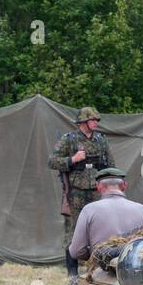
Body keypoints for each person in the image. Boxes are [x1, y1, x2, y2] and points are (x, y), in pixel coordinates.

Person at [37, 168, 143, 285]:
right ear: (124, 186)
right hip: (134, 279)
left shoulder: (90, 210)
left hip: (102, 275)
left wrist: (94, 256)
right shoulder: (141, 209)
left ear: (98, 187)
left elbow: (75, 251)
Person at [48, 105, 113, 275]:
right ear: (83, 121)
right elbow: (52, 161)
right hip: (75, 192)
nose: (96, 122)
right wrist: (72, 159)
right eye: (93, 119)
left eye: (97, 119)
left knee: (100, 229)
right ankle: (72, 272)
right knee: (74, 230)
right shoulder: (69, 139)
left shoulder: (101, 140)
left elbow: (111, 166)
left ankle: (98, 269)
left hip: (97, 192)